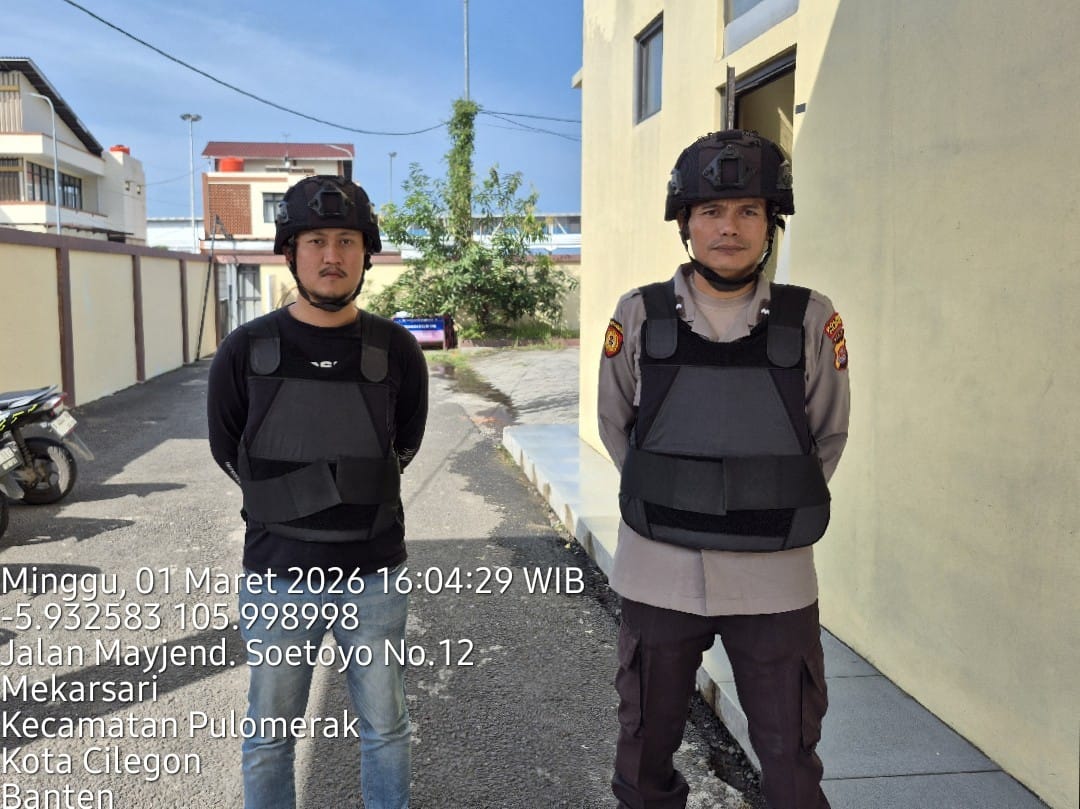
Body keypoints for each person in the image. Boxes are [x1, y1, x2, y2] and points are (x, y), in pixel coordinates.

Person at [598, 130, 850, 809]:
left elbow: (826, 434)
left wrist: (763, 502)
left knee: (791, 764)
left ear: (770, 223)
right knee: (643, 757)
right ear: (686, 223)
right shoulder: (638, 313)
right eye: (711, 210)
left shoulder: (811, 318)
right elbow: (617, 426)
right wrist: (674, 499)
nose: (728, 227)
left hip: (774, 580)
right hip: (658, 571)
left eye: (748, 210)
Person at [207, 175, 428, 809]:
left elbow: (404, 443)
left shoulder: (397, 350)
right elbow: (230, 452)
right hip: (278, 576)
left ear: (366, 254)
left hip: (373, 576)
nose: (332, 255)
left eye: (347, 241)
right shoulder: (246, 350)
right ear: (290, 251)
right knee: (270, 738)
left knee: (386, 729)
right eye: (316, 241)